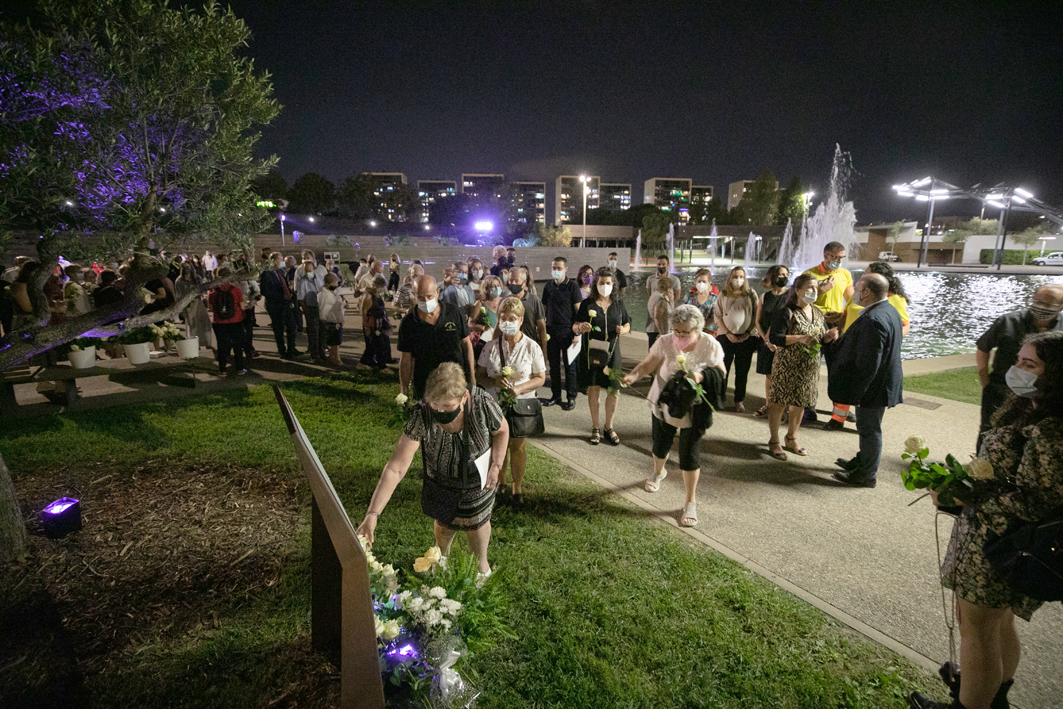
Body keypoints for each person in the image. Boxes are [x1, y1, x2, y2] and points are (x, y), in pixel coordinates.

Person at [908, 330, 1063, 709]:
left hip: (1000, 545)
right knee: (998, 625)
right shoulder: (1032, 411)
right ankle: (995, 699)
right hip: (1002, 544)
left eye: (1030, 364)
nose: (1017, 370)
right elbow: (1011, 473)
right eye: (1018, 361)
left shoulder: (1050, 429)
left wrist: (964, 500)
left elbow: (1036, 501)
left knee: (976, 633)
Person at [356, 362, 509, 577]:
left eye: (447, 407)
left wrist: (497, 464)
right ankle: (440, 564)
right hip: (441, 484)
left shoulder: (482, 403)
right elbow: (396, 468)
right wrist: (372, 514)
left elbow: (502, 431)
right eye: (435, 405)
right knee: (444, 528)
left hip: (478, 481)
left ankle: (482, 570)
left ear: (464, 397)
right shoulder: (423, 414)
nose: (440, 411)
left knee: (477, 524)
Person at [623, 305, 725, 527]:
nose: (680, 336)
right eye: (677, 331)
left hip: (693, 408)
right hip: (665, 402)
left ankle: (690, 502)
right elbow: (648, 364)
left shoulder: (709, 344)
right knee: (660, 445)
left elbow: (721, 372)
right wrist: (633, 376)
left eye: (685, 333)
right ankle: (658, 472)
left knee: (689, 456)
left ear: (697, 328)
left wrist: (701, 375)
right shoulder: (665, 341)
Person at [827, 273, 903, 487]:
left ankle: (866, 475)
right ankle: (862, 462)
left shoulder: (873, 319)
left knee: (870, 430)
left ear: (867, 292)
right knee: (868, 427)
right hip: (883, 382)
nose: (854, 293)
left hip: (875, 387)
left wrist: (858, 393)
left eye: (857, 288)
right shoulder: (888, 310)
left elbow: (869, 362)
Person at [476, 297, 546, 506]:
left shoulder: (532, 347)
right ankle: (500, 481)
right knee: (498, 445)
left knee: (518, 446)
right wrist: (494, 381)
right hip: (495, 403)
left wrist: (519, 388)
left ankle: (517, 486)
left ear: (521, 320)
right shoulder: (490, 347)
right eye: (503, 318)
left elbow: (540, 377)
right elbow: (479, 375)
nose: (507, 322)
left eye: (512, 318)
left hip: (521, 403)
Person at [827, 261, 912, 429]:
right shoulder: (859, 293)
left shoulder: (893, 300)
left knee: (863, 379)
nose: (862, 276)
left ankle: (863, 423)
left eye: (866, 273)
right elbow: (847, 312)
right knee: (843, 378)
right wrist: (838, 326)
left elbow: (904, 324)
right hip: (848, 343)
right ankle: (838, 418)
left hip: (867, 345)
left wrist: (890, 342)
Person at [974, 284, 1063, 445]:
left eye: (1048, 303)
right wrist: (985, 380)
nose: (1041, 306)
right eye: (1038, 301)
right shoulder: (1008, 321)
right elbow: (983, 347)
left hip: (1045, 396)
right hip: (1001, 388)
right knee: (989, 432)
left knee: (1031, 437)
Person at [766, 274, 837, 460]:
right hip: (787, 365)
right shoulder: (786, 312)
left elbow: (820, 339)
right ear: (797, 290)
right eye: (809, 288)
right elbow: (775, 338)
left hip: (809, 368)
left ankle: (792, 437)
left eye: (815, 288)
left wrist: (828, 337)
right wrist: (799, 338)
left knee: (800, 403)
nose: (813, 291)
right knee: (779, 402)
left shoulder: (818, 313)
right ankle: (774, 441)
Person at [573, 267, 631, 445]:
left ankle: (609, 426)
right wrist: (580, 327)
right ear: (595, 284)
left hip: (613, 354)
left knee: (613, 391)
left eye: (608, 283)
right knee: (594, 389)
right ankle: (595, 426)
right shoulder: (587, 305)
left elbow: (628, 323)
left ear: (613, 284)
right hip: (592, 354)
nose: (604, 286)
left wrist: (624, 330)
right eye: (601, 283)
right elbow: (574, 326)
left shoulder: (618, 304)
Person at [397, 276, 476, 400]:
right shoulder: (409, 323)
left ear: (437, 292)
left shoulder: (453, 313)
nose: (426, 301)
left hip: (455, 382)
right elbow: (406, 358)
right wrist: (404, 389)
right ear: (414, 295)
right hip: (425, 385)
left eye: (429, 296)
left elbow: (466, 344)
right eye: (421, 298)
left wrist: (471, 376)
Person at [802, 241, 854, 425]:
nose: (839, 261)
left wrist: (842, 316)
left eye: (841, 258)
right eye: (835, 257)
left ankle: (839, 409)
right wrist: (820, 290)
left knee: (838, 368)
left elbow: (850, 299)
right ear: (826, 256)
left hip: (835, 326)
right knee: (811, 367)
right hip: (814, 325)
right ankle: (809, 407)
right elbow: (800, 300)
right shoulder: (810, 274)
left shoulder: (844, 274)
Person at [714, 267, 759, 413]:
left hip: (746, 338)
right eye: (735, 276)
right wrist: (727, 333)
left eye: (741, 277)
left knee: (742, 372)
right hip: (726, 337)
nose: (738, 279)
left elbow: (756, 316)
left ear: (745, 278)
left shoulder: (751, 294)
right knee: (723, 369)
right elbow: (718, 316)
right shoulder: (724, 294)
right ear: (730, 277)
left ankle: (739, 400)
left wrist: (747, 332)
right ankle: (720, 398)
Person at [540, 256, 582, 410]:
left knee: (570, 367)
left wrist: (577, 334)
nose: (555, 271)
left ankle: (571, 397)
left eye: (559, 268)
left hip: (568, 333)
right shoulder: (548, 287)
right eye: (553, 268)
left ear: (566, 269)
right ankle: (556, 395)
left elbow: (578, 311)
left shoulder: (572, 287)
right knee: (554, 367)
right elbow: (543, 309)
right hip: (551, 333)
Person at [754, 265, 790, 417]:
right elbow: (757, 321)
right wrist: (766, 340)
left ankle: (783, 409)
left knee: (783, 376)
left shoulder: (790, 296)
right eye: (781, 274)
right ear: (773, 276)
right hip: (767, 342)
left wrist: (775, 340)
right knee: (769, 375)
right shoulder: (765, 297)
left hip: (782, 341)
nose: (784, 277)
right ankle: (768, 405)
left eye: (786, 274)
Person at [207, 267, 246, 377]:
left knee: (222, 346)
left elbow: (210, 308)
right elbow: (242, 306)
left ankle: (222, 370)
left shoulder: (213, 291)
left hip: (219, 322)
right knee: (237, 345)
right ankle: (239, 369)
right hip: (235, 321)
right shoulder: (235, 290)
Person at [260, 252, 298, 359]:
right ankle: (282, 350)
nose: (282, 262)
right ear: (274, 261)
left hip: (285, 304)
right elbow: (265, 291)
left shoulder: (280, 271)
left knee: (291, 326)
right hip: (275, 305)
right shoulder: (266, 273)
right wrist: (282, 296)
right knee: (279, 328)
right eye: (281, 259)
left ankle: (291, 348)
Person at [295, 250, 328, 363]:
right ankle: (315, 355)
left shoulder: (319, 278)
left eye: (311, 269)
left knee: (322, 331)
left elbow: (324, 290)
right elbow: (300, 298)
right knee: (313, 331)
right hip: (310, 308)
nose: (309, 271)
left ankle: (322, 352)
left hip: (321, 307)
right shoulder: (303, 282)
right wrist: (305, 310)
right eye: (307, 269)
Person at [176, 261, 213, 352]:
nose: (187, 270)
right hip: (188, 305)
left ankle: (206, 342)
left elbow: (203, 290)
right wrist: (180, 308)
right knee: (192, 325)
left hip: (198, 302)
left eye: (188, 267)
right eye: (184, 268)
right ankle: (194, 343)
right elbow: (178, 295)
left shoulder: (197, 278)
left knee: (204, 322)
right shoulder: (179, 281)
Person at [505, 267, 547, 349]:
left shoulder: (534, 301)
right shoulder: (505, 301)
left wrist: (544, 352)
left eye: (516, 281)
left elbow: (541, 327)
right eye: (511, 280)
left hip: (529, 346)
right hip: (509, 347)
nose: (513, 283)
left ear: (524, 283)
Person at [359, 275, 392, 370]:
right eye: (382, 286)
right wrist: (367, 328)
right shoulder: (369, 296)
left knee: (373, 346)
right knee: (377, 345)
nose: (383, 289)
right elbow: (365, 313)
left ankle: (365, 362)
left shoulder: (376, 295)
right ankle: (382, 367)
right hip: (372, 325)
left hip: (379, 323)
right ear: (375, 285)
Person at [318, 272, 346, 367]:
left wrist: (344, 302)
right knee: (334, 342)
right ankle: (336, 359)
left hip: (338, 319)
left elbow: (341, 303)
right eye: (335, 282)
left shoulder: (337, 292)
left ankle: (332, 358)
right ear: (328, 284)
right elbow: (322, 309)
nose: (336, 284)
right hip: (330, 321)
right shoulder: (323, 295)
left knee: (337, 341)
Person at [683, 268, 719, 334]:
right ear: (695, 282)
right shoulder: (688, 296)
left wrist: (700, 327)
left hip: (708, 333)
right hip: (690, 332)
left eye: (704, 281)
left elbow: (714, 317)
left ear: (709, 282)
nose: (701, 284)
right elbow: (684, 314)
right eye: (699, 281)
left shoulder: (714, 298)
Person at [645, 273, 674, 350]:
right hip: (657, 331)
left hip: (652, 329)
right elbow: (657, 317)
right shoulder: (661, 300)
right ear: (668, 289)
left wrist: (671, 300)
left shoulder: (654, 294)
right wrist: (661, 334)